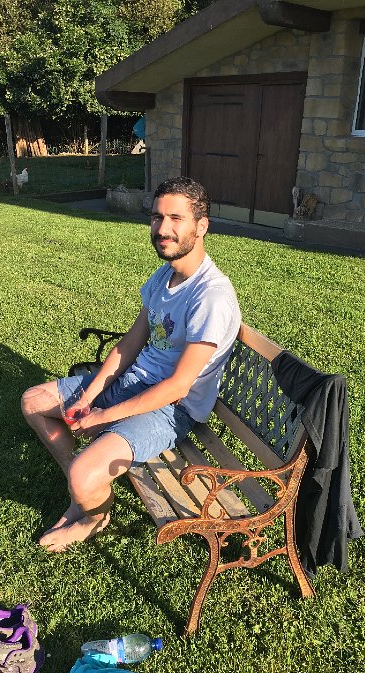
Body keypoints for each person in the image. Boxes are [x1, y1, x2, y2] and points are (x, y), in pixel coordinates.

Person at [21, 177, 241, 552]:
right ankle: (81, 492)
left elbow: (178, 386)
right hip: (134, 383)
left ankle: (92, 518)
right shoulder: (164, 276)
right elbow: (129, 344)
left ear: (201, 226)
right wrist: (88, 397)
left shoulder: (211, 297)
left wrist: (103, 416)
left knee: (83, 474)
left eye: (176, 218)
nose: (163, 228)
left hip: (171, 409)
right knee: (33, 402)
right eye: (157, 217)